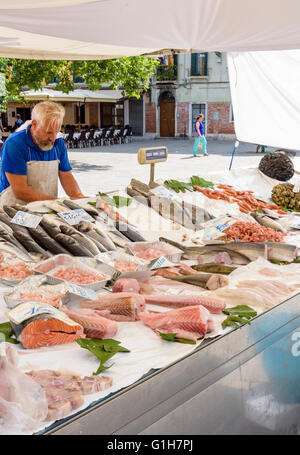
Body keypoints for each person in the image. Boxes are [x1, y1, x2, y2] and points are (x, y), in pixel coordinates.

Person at [0, 101, 86, 206]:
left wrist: (79, 197)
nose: (53, 138)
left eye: (56, 131)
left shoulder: (58, 142)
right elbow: (20, 190)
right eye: (49, 132)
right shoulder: (14, 144)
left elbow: (66, 175)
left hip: (46, 205)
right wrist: (58, 202)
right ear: (34, 124)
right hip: (13, 208)